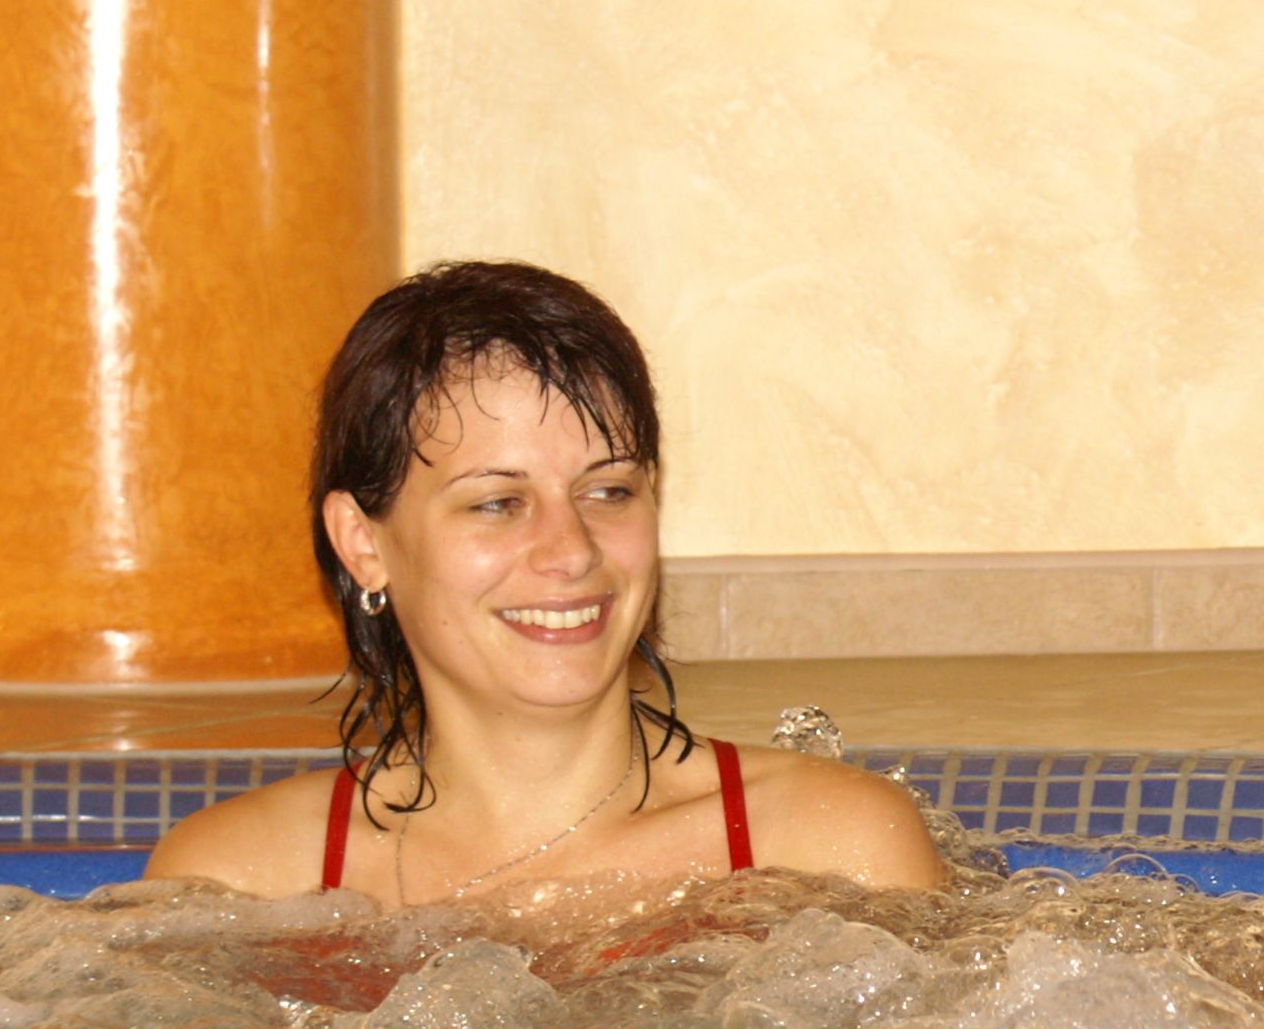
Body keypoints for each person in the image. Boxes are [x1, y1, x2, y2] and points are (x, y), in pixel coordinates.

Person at [147, 261, 945, 903]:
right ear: (363, 543)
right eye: (498, 503)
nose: (571, 551)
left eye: (609, 491)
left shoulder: (833, 854)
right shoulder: (238, 883)